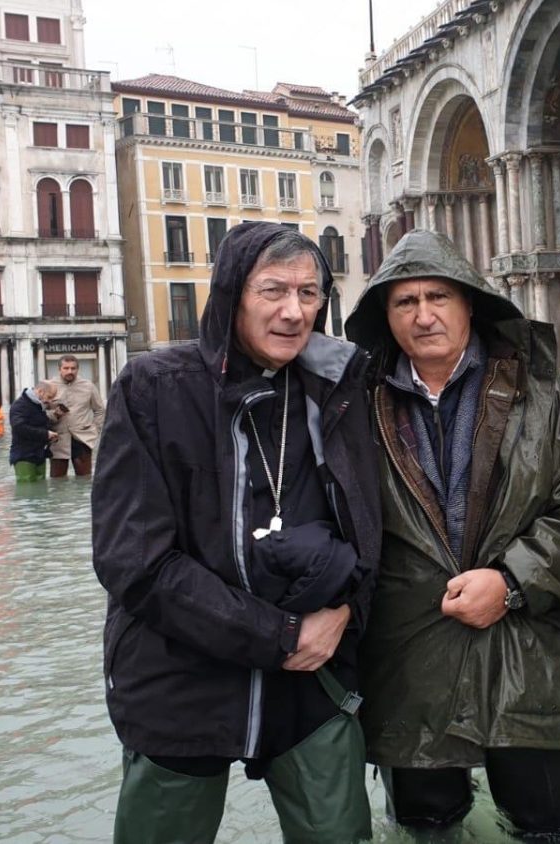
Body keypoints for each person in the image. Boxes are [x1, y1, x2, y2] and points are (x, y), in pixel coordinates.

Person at [92, 223, 382, 843]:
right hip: (179, 679)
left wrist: (345, 611)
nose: (293, 310)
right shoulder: (153, 387)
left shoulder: (341, 386)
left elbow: (374, 523)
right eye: (272, 290)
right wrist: (277, 635)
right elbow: (132, 560)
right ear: (231, 294)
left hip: (314, 678)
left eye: (309, 293)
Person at [345, 229, 560, 836]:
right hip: (409, 666)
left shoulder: (544, 393)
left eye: (439, 297)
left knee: (555, 825)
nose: (424, 316)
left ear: (469, 301)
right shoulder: (352, 405)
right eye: (405, 302)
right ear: (384, 317)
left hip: (531, 658)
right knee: (426, 827)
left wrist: (510, 582)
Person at [51, 355, 106, 477]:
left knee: (84, 479)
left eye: (73, 368)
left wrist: (96, 430)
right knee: (57, 481)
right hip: (58, 438)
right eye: (66, 368)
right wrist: (54, 415)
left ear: (78, 369)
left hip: (83, 437)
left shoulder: (88, 386)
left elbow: (100, 410)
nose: (70, 371)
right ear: (59, 369)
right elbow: (42, 411)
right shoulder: (51, 386)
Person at [9, 380, 60, 482]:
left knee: (41, 489)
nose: (50, 401)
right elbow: (19, 428)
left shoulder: (39, 406)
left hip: (39, 454)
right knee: (27, 489)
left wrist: (49, 435)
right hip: (23, 456)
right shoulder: (20, 405)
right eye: (49, 397)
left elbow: (38, 425)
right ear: (40, 391)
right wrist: (46, 434)